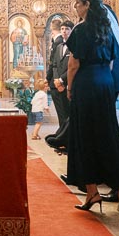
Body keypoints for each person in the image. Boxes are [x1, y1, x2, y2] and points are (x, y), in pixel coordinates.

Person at [64, 0, 119, 212]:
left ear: (87, 4)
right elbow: (115, 60)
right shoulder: (106, 30)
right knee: (107, 134)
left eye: (78, 2)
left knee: (85, 136)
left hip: (86, 83)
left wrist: (70, 87)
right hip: (105, 82)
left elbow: (73, 64)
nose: (75, 6)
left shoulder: (80, 30)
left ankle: (92, 192)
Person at [44, 18, 72, 149]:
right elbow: (54, 64)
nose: (64, 31)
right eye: (62, 29)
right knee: (61, 113)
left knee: (68, 113)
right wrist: (55, 81)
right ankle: (62, 135)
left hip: (67, 84)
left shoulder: (74, 46)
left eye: (67, 29)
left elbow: (72, 67)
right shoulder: (59, 46)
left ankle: (67, 137)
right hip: (57, 83)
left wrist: (62, 80)